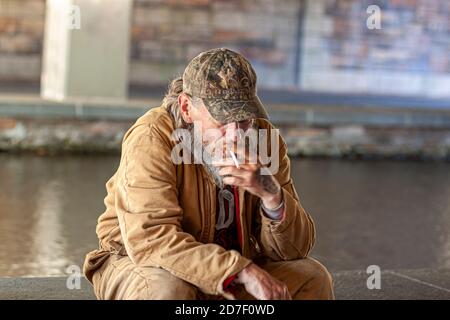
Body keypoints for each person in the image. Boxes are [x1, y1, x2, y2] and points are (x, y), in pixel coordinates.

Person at [83, 48, 334, 300]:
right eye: (223, 121)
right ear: (186, 107)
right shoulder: (151, 137)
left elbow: (294, 250)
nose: (236, 135)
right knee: (168, 291)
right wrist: (240, 270)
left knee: (312, 277)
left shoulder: (264, 140)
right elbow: (151, 239)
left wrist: (272, 196)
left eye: (244, 119)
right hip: (139, 262)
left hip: (226, 266)